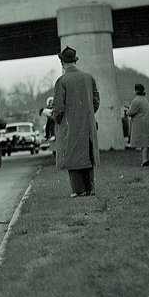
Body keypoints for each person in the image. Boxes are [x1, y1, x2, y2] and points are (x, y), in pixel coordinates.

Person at [51, 46, 100, 198]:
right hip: (87, 123)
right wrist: (87, 113)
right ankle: (90, 189)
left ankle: (78, 190)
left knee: (72, 156)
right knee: (87, 155)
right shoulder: (88, 77)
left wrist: (58, 119)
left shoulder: (62, 81)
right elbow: (96, 101)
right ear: (75, 60)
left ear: (62, 62)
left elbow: (58, 108)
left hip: (69, 124)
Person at [126, 83, 149, 166]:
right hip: (146, 123)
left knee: (143, 143)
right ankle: (147, 159)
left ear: (136, 90)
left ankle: (144, 160)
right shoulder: (145, 99)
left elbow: (130, 112)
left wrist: (127, 111)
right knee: (147, 143)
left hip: (139, 124)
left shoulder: (136, 100)